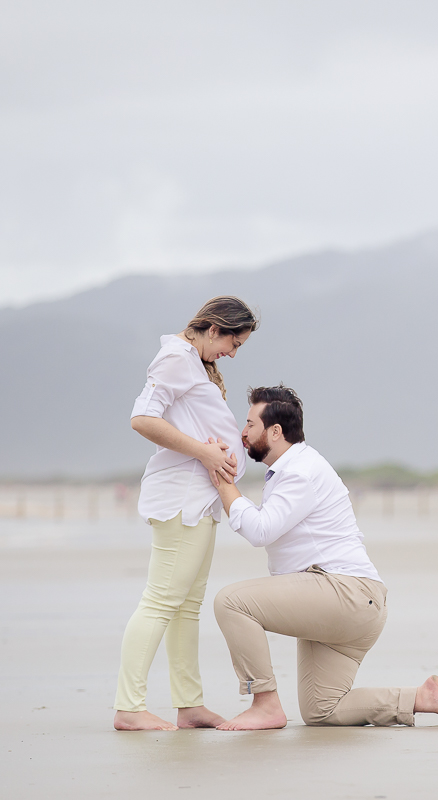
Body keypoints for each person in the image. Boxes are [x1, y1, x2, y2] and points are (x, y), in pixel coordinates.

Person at [207, 384, 438, 730]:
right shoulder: (290, 468)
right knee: (323, 710)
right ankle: (420, 697)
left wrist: (223, 482)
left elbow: (261, 531)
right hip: (350, 603)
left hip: (344, 594)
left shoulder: (299, 471)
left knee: (230, 602)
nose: (242, 432)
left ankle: (264, 703)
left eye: (249, 424)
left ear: (275, 432)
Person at [112, 296, 259, 732]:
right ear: (215, 329)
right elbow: (142, 419)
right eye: (234, 343)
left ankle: (189, 704)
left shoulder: (191, 362)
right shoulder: (175, 358)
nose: (232, 354)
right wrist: (205, 454)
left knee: (186, 606)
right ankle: (128, 706)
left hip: (199, 499)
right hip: (181, 498)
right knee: (161, 601)